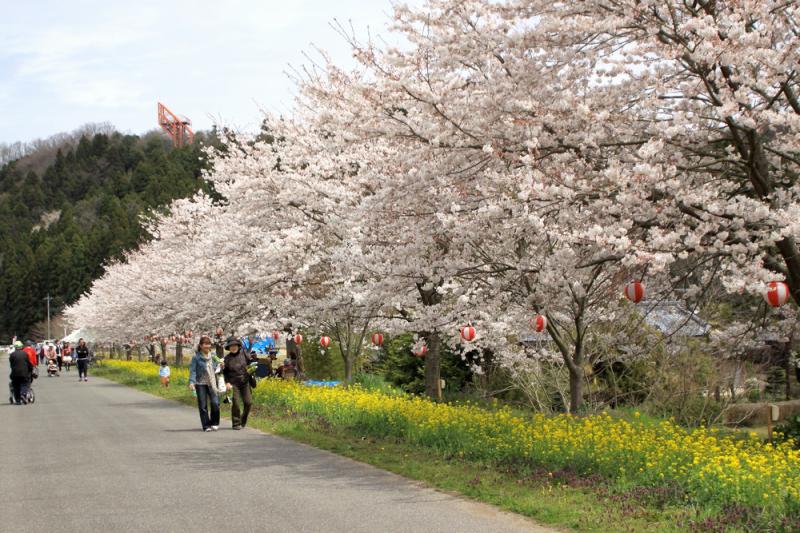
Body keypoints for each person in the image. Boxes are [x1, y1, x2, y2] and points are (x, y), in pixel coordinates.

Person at [188, 335, 221, 432]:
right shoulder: (196, 357)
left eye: (208, 344)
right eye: (205, 344)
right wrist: (191, 382)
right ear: (201, 346)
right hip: (200, 383)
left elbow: (217, 368)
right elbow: (193, 370)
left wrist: (221, 365)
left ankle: (214, 422)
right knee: (203, 405)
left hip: (212, 383)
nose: (207, 346)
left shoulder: (214, 356)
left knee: (215, 403)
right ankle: (206, 425)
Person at [222, 336, 253, 430]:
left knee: (248, 402)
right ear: (228, 347)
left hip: (245, 382)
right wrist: (227, 382)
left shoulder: (244, 354)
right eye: (231, 346)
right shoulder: (226, 359)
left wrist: (252, 369)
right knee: (235, 402)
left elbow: (251, 363)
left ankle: (243, 418)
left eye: (235, 345)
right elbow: (225, 373)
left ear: (238, 346)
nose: (233, 347)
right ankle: (236, 423)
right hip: (233, 383)